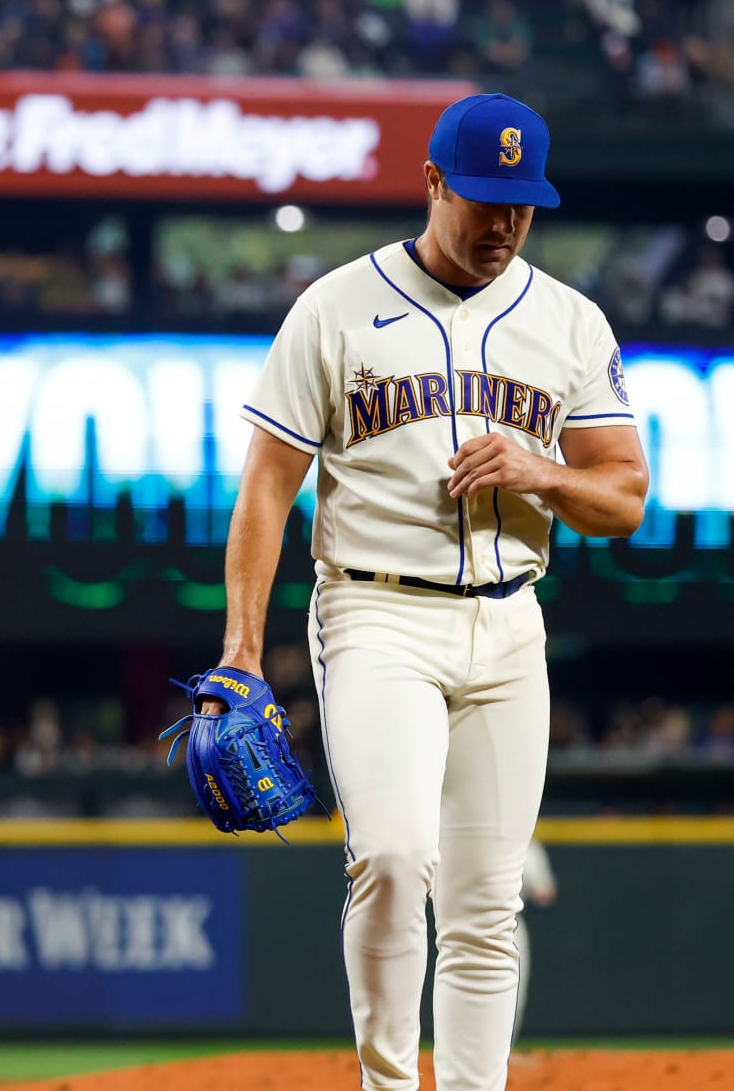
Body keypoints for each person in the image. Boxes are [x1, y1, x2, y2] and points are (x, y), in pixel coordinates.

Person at [202, 92, 648, 1091]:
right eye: (485, 199)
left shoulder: (569, 322)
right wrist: (241, 645)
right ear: (433, 183)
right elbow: (268, 486)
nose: (504, 224)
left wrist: (544, 475)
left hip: (508, 619)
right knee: (396, 863)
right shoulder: (334, 306)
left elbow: (623, 496)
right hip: (375, 613)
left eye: (523, 206)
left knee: (489, 903)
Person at [513, 837, 557, 1046]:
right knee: (513, 989)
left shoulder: (530, 846)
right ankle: (498, 1057)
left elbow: (545, 892)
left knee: (515, 990)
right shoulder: (528, 845)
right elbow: (544, 893)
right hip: (508, 923)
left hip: (507, 920)